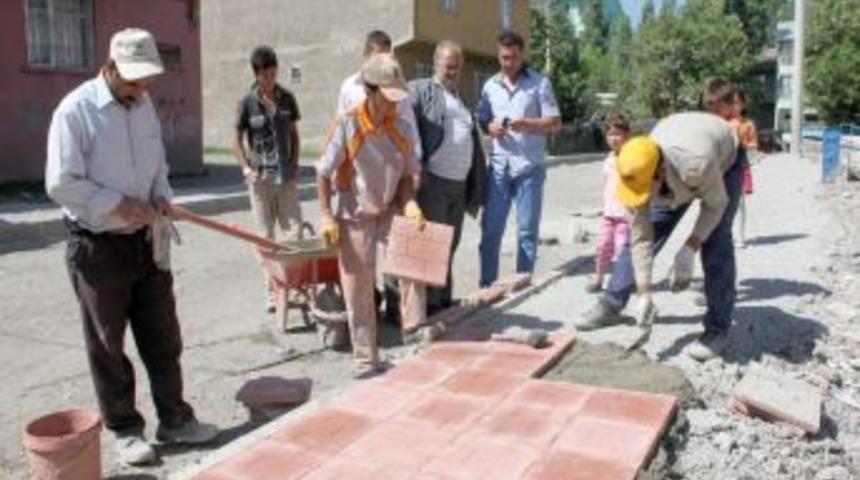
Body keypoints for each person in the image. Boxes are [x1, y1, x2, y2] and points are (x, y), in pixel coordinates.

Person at [45, 28, 217, 467]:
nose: (143, 89)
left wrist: (160, 195)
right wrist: (118, 205)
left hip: (147, 241)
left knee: (163, 336)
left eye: (147, 80)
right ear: (111, 65)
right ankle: (125, 430)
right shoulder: (76, 111)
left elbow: (157, 162)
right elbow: (61, 183)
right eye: (135, 80)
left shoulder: (143, 108)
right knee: (107, 344)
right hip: (98, 246)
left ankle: (175, 420)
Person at [576, 84, 742, 362]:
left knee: (716, 243)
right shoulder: (635, 166)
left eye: (646, 191)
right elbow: (641, 237)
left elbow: (715, 206)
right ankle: (613, 300)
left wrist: (689, 248)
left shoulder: (696, 164)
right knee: (641, 234)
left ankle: (718, 328)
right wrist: (644, 291)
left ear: (659, 173)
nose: (642, 199)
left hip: (723, 158)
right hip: (677, 148)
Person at [317, 53, 424, 371]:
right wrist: (325, 213)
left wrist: (409, 202)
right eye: (388, 98)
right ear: (370, 90)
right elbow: (323, 172)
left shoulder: (402, 126)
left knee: (412, 262)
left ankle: (415, 334)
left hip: (389, 206)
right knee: (358, 285)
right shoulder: (348, 124)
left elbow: (406, 175)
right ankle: (366, 356)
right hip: (355, 211)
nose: (394, 105)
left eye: (397, 98)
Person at [337, 30, 421, 326]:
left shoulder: (398, 88)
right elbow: (341, 139)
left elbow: (409, 128)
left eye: (389, 53)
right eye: (380, 54)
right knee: (362, 266)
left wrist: (414, 173)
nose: (387, 60)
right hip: (361, 188)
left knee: (402, 254)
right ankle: (368, 320)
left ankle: (403, 319)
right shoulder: (349, 88)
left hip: (392, 180)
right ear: (366, 55)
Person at [476, 30, 562, 288]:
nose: (508, 63)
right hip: (500, 167)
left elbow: (556, 123)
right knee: (491, 230)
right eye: (503, 58)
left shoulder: (540, 84)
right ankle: (487, 286)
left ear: (522, 55)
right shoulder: (490, 85)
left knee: (526, 231)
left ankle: (522, 283)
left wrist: (528, 124)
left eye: (513, 57)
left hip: (529, 168)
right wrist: (491, 128)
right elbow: (482, 119)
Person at [408, 40, 486, 315]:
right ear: (436, 64)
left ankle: (442, 298)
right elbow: (406, 122)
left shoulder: (460, 99)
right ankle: (427, 303)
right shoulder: (421, 89)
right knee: (434, 243)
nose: (453, 71)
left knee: (449, 244)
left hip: (459, 184)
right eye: (448, 66)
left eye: (457, 67)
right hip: (434, 181)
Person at [234, 46, 304, 312]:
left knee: (293, 234)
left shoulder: (287, 98)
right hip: (260, 180)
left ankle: (291, 287)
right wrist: (245, 169)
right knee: (265, 237)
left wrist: (295, 164)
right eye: (265, 75)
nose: (270, 80)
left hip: (285, 177)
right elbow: (236, 138)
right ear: (257, 74)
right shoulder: (246, 102)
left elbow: (295, 134)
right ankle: (273, 292)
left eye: (274, 74)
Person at [587, 112, 632, 293]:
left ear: (627, 135)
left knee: (623, 250)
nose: (614, 138)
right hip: (609, 213)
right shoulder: (608, 159)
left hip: (626, 214)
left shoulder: (631, 157)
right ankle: (598, 279)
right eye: (610, 134)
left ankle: (622, 282)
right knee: (603, 247)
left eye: (618, 134)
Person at [732, 89, 759, 248]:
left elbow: (754, 144)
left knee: (739, 203)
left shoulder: (748, 124)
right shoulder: (723, 122)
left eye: (738, 102)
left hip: (741, 166)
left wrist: (742, 145)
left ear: (743, 104)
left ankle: (740, 237)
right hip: (723, 168)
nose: (735, 106)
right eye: (732, 102)